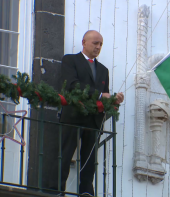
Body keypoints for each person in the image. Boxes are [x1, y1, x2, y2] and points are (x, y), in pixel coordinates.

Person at [48, 30, 124, 196]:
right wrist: (99, 94)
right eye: (95, 43)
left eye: (101, 44)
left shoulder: (103, 70)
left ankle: (86, 192)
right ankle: (55, 189)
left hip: (93, 119)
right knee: (65, 153)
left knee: (90, 159)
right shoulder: (70, 60)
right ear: (84, 42)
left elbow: (104, 96)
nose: (98, 47)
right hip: (73, 115)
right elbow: (72, 85)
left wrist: (113, 100)